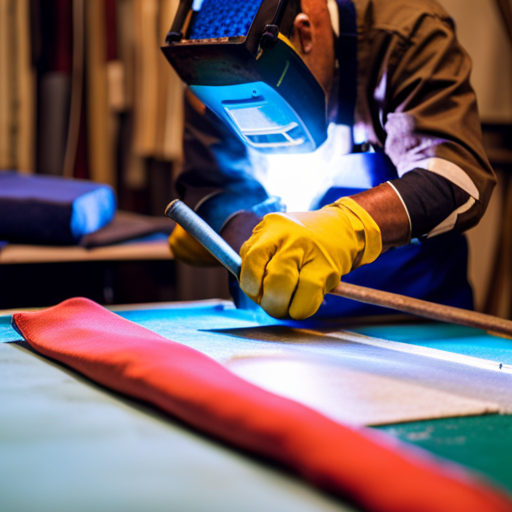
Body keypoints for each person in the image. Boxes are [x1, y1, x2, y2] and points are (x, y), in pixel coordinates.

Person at [166, 0, 495, 320]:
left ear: (305, 34)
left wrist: (347, 228)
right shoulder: (207, 63)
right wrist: (239, 231)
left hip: (413, 319)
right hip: (282, 331)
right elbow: (213, 184)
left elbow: (454, 176)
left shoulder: (405, 35)